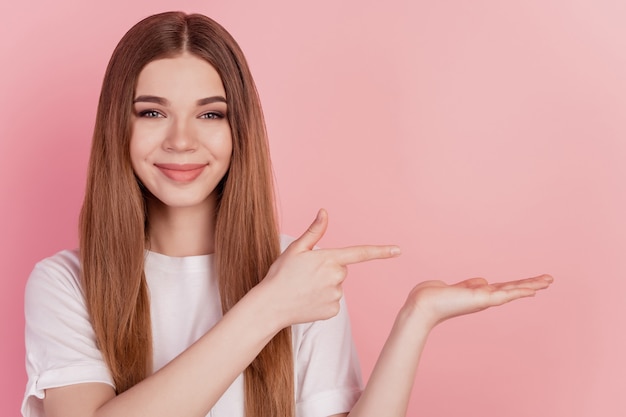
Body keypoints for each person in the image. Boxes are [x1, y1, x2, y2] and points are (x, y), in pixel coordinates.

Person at [22, 11, 553, 417]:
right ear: (120, 126)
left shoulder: (296, 272)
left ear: (240, 131)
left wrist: (417, 318)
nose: (181, 140)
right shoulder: (66, 283)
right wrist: (269, 307)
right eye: (153, 112)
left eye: (210, 114)